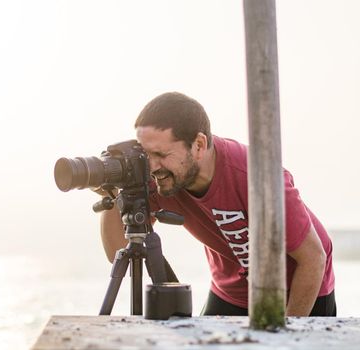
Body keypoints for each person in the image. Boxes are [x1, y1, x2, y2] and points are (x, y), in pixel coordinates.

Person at [98, 92, 336, 316]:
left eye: (161, 154)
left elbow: (314, 258)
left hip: (298, 285)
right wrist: (116, 192)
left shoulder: (256, 174)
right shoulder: (159, 178)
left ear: (199, 145)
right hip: (231, 290)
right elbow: (117, 252)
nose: (152, 165)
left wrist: (286, 339)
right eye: (145, 154)